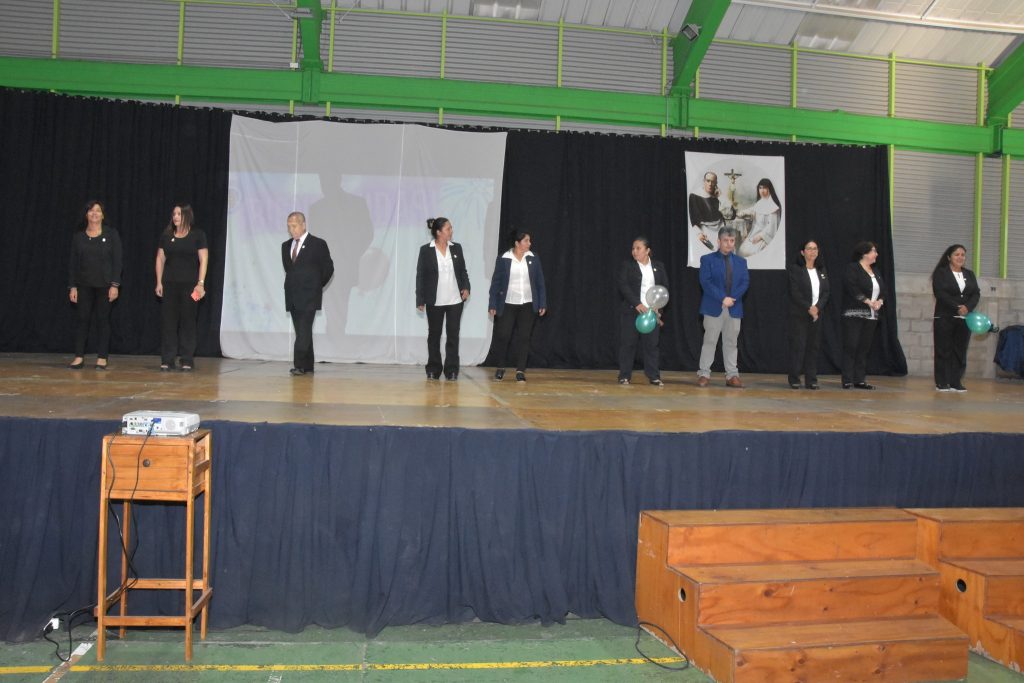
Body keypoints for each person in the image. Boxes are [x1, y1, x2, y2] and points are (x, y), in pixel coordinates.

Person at [68, 200, 122, 369]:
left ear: (102, 215)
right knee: (82, 320)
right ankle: (79, 357)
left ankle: (102, 357)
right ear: (86, 215)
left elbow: (118, 261)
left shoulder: (111, 234)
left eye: (98, 211)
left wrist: (115, 285)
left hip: (105, 285)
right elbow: (73, 263)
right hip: (83, 284)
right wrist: (72, 286)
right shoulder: (78, 236)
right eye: (91, 211)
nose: (94, 213)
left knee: (103, 320)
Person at [487, 230, 547, 382]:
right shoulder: (504, 258)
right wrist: (492, 303)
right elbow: (495, 283)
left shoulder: (533, 258)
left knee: (524, 337)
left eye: (529, 241)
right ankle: (501, 367)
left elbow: (540, 282)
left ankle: (520, 370)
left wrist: (542, 302)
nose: (529, 243)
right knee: (503, 336)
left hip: (528, 303)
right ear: (517, 243)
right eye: (526, 240)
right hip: (508, 303)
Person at [416, 217, 470, 380]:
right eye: (448, 229)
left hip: (455, 300)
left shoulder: (456, 248)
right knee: (434, 335)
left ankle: (452, 369)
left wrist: (466, 287)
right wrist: (420, 299)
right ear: (439, 232)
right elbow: (420, 276)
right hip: (435, 300)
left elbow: (463, 271)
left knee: (453, 335)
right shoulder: (426, 250)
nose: (451, 231)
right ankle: (433, 368)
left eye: (451, 228)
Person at [155, 204, 208, 372]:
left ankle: (187, 359)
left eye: (179, 214)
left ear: (187, 216)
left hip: (190, 286)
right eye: (174, 214)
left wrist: (200, 283)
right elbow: (160, 258)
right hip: (169, 284)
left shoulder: (197, 235)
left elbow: (203, 259)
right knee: (168, 322)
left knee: (188, 321)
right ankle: (167, 359)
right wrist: (159, 282)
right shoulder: (167, 235)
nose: (175, 217)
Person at [282, 211, 334, 376]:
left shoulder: (318, 244)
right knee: (302, 332)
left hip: (310, 296)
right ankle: (308, 366)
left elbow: (328, 268)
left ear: (303, 225)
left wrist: (316, 286)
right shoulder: (285, 246)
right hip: (292, 296)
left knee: (303, 331)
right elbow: (290, 270)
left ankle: (298, 365)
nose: (292, 230)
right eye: (289, 227)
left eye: (294, 226)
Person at [697, 226, 749, 388]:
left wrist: (731, 299)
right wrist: (722, 298)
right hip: (714, 306)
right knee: (710, 341)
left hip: (734, 307)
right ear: (719, 241)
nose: (729, 244)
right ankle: (704, 373)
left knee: (731, 342)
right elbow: (705, 282)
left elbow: (745, 283)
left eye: (732, 241)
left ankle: (732, 375)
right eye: (725, 240)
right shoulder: (707, 259)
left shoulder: (741, 262)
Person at [617, 237, 668, 386]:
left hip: (652, 312)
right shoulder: (627, 266)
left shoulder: (659, 266)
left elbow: (664, 287)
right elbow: (623, 285)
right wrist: (637, 303)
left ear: (647, 250)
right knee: (628, 344)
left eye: (638, 248)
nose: (634, 251)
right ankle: (624, 376)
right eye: (633, 248)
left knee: (652, 345)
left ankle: (654, 376)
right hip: (632, 311)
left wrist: (659, 306)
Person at [932, 243, 980, 392]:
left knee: (960, 350)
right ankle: (942, 382)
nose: (960, 257)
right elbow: (940, 293)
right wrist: (957, 307)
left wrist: (967, 307)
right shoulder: (941, 273)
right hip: (945, 317)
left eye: (963, 255)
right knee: (943, 349)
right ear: (949, 257)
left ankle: (955, 381)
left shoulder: (969, 274)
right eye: (956, 254)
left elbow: (976, 293)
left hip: (964, 319)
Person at [841, 241, 886, 389]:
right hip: (855, 314)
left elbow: (883, 291)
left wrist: (880, 301)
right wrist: (867, 301)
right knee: (851, 346)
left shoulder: (876, 271)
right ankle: (847, 379)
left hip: (872, 315)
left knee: (864, 348)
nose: (876, 254)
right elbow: (852, 288)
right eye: (873, 251)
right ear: (864, 253)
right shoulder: (853, 268)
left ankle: (859, 379)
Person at [787, 240, 830, 389]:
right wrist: (809, 308)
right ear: (802, 252)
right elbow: (795, 292)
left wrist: (817, 308)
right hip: (800, 314)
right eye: (809, 248)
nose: (813, 251)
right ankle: (794, 378)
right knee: (798, 346)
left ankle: (811, 379)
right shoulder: (795, 269)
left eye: (815, 249)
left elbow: (826, 292)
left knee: (814, 347)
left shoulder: (821, 270)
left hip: (817, 314)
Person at [737, 178, 782, 258]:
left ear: (769, 189)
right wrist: (742, 212)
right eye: (760, 188)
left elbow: (771, 228)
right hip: (754, 234)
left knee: (750, 252)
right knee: (741, 250)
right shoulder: (761, 202)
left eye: (764, 188)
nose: (762, 191)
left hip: (765, 237)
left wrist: (760, 236)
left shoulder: (773, 207)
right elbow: (753, 210)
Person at [688, 171, 727, 251]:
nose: (710, 184)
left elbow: (730, 215)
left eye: (713, 182)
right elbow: (693, 218)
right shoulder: (694, 195)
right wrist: (698, 233)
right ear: (704, 181)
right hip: (705, 230)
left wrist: (720, 197)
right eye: (708, 181)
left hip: (720, 228)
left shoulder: (717, 194)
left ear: (716, 184)